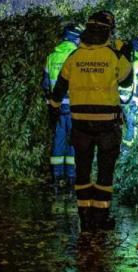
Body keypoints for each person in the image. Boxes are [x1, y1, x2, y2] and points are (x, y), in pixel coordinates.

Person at [49, 11, 133, 232]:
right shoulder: (113, 56)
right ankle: (100, 219)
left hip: (80, 125)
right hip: (108, 126)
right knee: (105, 174)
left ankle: (85, 219)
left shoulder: (74, 57)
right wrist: (125, 53)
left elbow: (59, 89)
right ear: (108, 31)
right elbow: (127, 82)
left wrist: (53, 111)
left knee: (83, 173)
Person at [42, 23, 82, 191]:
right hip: (74, 106)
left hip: (57, 107)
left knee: (58, 140)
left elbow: (45, 84)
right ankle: (72, 178)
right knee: (74, 140)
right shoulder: (78, 56)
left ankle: (56, 177)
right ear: (74, 38)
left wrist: (52, 102)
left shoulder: (51, 56)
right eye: (79, 38)